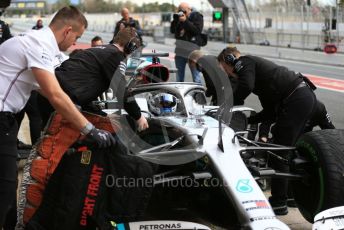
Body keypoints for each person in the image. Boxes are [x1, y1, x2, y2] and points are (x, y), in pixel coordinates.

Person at [0, 6, 117, 228]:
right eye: (77, 37)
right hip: (1, 119)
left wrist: (81, 109)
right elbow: (55, 94)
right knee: (5, 188)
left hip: (6, 119)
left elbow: (52, 88)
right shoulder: (38, 44)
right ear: (68, 31)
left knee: (5, 190)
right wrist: (89, 129)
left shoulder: (40, 43)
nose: (75, 43)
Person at [217, 47, 317, 215]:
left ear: (230, 60)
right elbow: (270, 112)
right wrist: (247, 121)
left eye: (224, 68)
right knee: (289, 151)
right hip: (301, 98)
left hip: (297, 99)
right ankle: (292, 197)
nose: (227, 74)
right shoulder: (263, 81)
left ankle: (279, 203)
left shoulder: (245, 61)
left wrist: (228, 106)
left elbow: (245, 85)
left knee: (279, 152)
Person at [38, 27, 149, 132]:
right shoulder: (115, 56)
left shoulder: (98, 50)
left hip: (49, 93)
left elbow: (84, 84)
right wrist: (138, 116)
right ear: (131, 47)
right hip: (61, 99)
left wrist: (99, 113)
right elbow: (122, 92)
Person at [254, 99, 335, 143]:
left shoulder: (320, 109)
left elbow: (332, 132)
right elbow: (267, 120)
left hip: (302, 139)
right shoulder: (285, 104)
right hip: (282, 135)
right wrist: (263, 136)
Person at [170, 2, 204, 83]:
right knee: (179, 79)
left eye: (184, 10)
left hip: (193, 52)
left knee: (196, 78)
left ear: (189, 9)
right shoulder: (178, 18)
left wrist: (185, 21)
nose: (182, 12)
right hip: (180, 51)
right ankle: (180, 94)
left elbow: (197, 31)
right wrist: (175, 20)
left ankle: (198, 94)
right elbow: (172, 30)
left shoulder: (197, 17)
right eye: (180, 10)